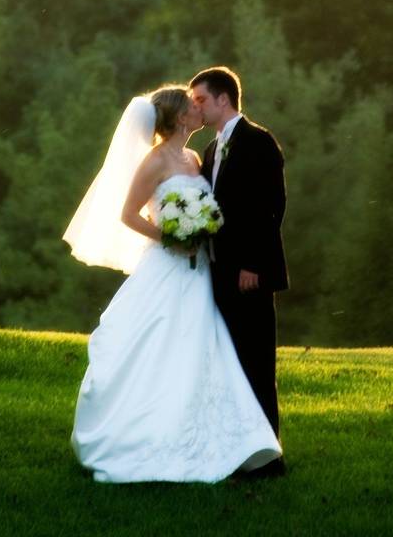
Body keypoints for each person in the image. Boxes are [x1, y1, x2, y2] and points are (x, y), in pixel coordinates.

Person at [63, 85, 281, 483]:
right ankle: (145, 434)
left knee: (200, 350)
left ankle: (215, 436)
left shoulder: (196, 157)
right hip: (167, 266)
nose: (198, 110)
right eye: (192, 105)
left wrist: (201, 230)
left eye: (201, 102)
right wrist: (170, 237)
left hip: (198, 274)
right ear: (180, 118)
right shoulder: (154, 161)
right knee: (159, 346)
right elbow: (128, 214)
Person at [191, 66, 289, 477]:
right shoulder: (212, 151)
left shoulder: (258, 141)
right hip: (217, 273)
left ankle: (268, 457)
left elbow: (271, 207)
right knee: (229, 363)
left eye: (200, 100)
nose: (194, 108)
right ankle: (237, 450)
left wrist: (254, 264)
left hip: (248, 273)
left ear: (223, 99)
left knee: (256, 361)